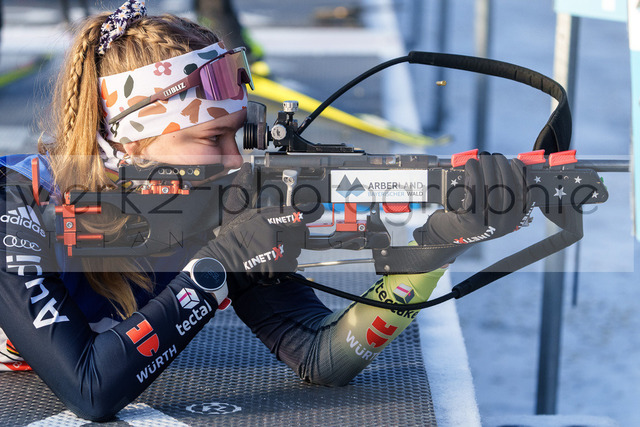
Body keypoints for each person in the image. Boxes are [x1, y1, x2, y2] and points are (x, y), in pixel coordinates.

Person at [0, 0, 530, 421]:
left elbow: (323, 356)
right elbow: (90, 390)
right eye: (212, 138)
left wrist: (439, 244)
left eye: (238, 135)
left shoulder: (211, 204)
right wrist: (219, 266)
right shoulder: (14, 205)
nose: (235, 160)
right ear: (130, 143)